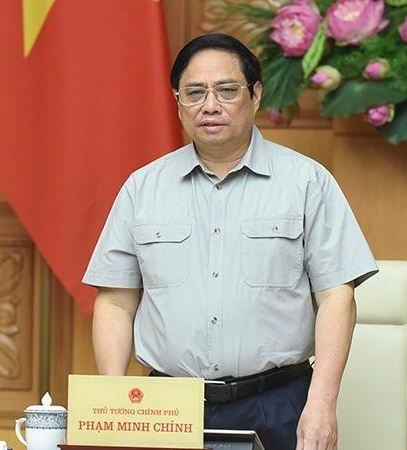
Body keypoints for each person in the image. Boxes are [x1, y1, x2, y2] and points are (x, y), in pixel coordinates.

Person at [83, 33, 377, 450]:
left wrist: (322, 403)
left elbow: (336, 296)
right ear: (178, 102)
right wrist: (114, 405)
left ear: (255, 95)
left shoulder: (307, 182)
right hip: (166, 408)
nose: (210, 105)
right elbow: (115, 301)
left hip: (278, 404)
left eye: (226, 90)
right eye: (194, 93)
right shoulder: (142, 188)